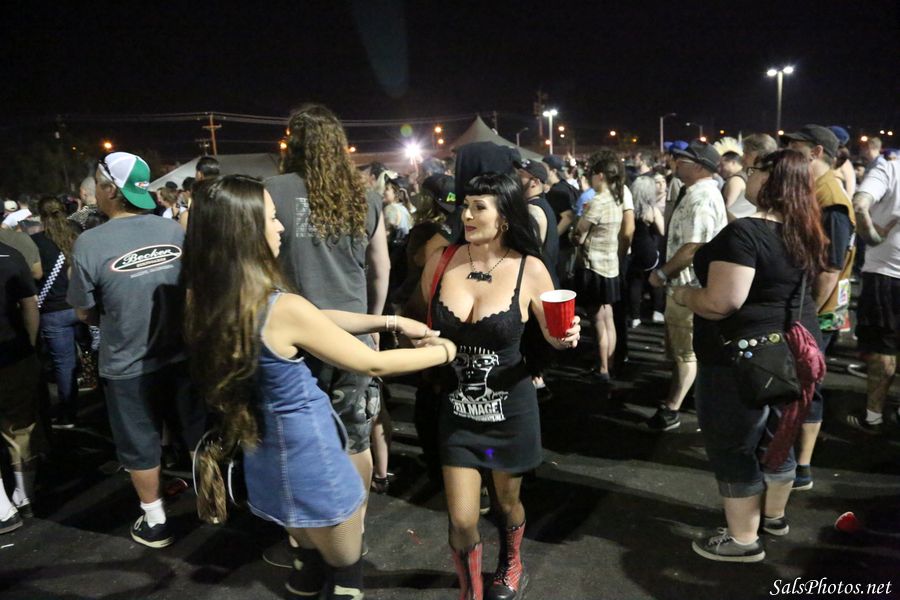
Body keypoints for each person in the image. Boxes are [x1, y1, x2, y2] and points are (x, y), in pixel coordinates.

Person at [185, 175, 455, 600]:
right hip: (311, 456)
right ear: (245, 231)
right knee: (347, 565)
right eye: (272, 218)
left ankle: (305, 577)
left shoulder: (208, 297)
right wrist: (444, 351)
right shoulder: (281, 309)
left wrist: (389, 321)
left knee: (305, 552)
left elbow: (313, 317)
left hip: (263, 450)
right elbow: (373, 362)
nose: (281, 227)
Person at [421, 172, 580, 600]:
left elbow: (553, 334)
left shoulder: (530, 268)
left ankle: (511, 562)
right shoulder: (441, 260)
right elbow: (425, 326)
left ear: (505, 216)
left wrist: (567, 336)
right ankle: (471, 592)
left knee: (507, 504)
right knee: (462, 519)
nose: (467, 216)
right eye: (465, 206)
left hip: (510, 413)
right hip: (457, 414)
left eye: (479, 208)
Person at [673, 148, 827, 562]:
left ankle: (743, 539)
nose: (746, 174)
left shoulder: (745, 234)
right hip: (795, 349)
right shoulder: (804, 230)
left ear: (769, 180)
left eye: (753, 169)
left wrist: (684, 294)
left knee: (734, 444)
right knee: (779, 435)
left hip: (742, 358)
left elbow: (722, 302)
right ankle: (772, 516)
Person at [264, 103, 391, 562]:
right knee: (355, 438)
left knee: (298, 441)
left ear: (293, 144)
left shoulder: (272, 191)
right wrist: (374, 322)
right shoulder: (365, 196)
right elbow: (381, 268)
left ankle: (305, 542)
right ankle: (354, 530)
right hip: (352, 336)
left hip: (292, 338)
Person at [67, 152, 205, 548]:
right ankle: (215, 502)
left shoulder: (89, 242)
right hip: (181, 354)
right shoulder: (172, 230)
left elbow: (83, 311)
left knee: (139, 443)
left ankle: (156, 520)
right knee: (195, 431)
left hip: (127, 363)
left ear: (110, 189)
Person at [782, 125, 856, 489]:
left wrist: (804, 315)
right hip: (808, 305)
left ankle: (802, 466)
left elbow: (830, 268)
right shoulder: (814, 189)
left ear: (816, 152)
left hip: (817, 311)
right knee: (799, 383)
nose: (789, 152)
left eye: (796, 147)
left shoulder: (832, 199)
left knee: (809, 386)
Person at [649, 140, 727, 431]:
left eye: (681, 160)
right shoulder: (696, 193)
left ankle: (672, 409)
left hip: (688, 287)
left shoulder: (702, 198)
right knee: (684, 350)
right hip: (686, 286)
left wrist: (662, 273)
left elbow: (693, 247)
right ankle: (691, 397)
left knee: (686, 353)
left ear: (699, 167)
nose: (675, 163)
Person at [847, 157, 900, 433]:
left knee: (882, 349)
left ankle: (873, 417)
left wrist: (873, 236)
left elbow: (859, 204)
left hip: (885, 274)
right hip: (886, 272)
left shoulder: (891, 169)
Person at [573, 151, 625, 382]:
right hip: (611, 266)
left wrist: (575, 229)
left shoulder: (597, 202)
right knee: (608, 316)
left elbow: (579, 235)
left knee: (597, 321)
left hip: (593, 267)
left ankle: (602, 368)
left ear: (600, 175)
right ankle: (609, 364)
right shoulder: (617, 198)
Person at [0, 240, 41, 531]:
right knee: (19, 427)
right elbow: (30, 305)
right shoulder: (11, 254)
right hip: (14, 353)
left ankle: (3, 509)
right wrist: (30, 344)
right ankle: (24, 496)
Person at [31, 197, 81, 428]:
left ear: (41, 216)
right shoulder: (77, 235)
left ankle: (69, 413)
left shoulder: (36, 242)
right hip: (81, 304)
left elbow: (36, 275)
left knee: (63, 364)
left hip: (53, 310)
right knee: (93, 353)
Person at [626, 174, 665, 326]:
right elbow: (662, 231)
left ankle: (635, 317)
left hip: (634, 250)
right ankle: (657, 311)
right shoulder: (652, 210)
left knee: (635, 282)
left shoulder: (629, 210)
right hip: (650, 250)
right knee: (655, 279)